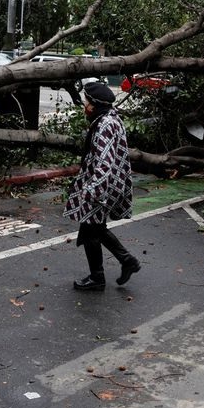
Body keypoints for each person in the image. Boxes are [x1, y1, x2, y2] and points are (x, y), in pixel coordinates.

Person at [64, 81, 140, 291]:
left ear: (94, 105)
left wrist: (93, 191)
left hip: (103, 187)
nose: (84, 106)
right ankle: (126, 262)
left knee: (90, 229)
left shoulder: (106, 124)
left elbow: (104, 162)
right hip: (106, 184)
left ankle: (99, 277)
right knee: (94, 228)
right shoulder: (107, 118)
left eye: (86, 102)